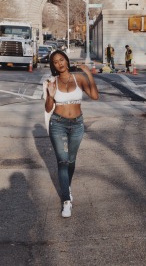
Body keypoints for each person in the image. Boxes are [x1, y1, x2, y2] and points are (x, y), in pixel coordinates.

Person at [44, 50, 99, 218]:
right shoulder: (51, 82)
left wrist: (89, 74)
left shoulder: (79, 78)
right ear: (53, 66)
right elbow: (48, 108)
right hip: (58, 124)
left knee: (72, 161)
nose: (59, 63)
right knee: (62, 160)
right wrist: (51, 95)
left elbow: (95, 96)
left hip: (77, 125)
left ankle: (66, 185)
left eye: (62, 60)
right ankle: (66, 201)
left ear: (67, 61)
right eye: (55, 62)